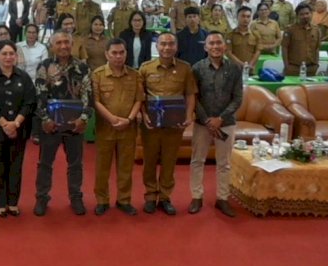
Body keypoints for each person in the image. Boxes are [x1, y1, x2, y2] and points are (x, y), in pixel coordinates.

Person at [33, 31, 93, 217]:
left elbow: (88, 96)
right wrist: (45, 119)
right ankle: (42, 198)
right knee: (45, 163)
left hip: (75, 125)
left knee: (75, 164)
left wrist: (83, 118)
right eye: (59, 42)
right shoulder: (44, 66)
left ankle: (75, 197)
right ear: (52, 46)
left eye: (66, 42)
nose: (63, 46)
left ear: (72, 43)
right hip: (51, 125)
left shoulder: (82, 68)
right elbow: (40, 95)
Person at [139, 32, 197, 215]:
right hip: (151, 124)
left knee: (169, 162)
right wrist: (143, 114)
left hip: (174, 124)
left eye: (171, 44)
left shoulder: (185, 68)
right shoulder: (145, 68)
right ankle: (150, 196)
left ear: (176, 47)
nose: (167, 47)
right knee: (149, 161)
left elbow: (190, 94)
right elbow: (140, 96)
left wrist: (188, 116)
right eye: (163, 44)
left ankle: (164, 197)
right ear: (157, 46)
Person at [189, 32, 243, 218]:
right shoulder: (196, 68)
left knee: (225, 163)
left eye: (218, 42)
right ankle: (196, 196)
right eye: (211, 43)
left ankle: (222, 198)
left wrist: (220, 118)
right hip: (202, 123)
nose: (215, 46)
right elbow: (193, 99)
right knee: (197, 161)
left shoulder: (235, 69)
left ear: (224, 46)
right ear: (205, 47)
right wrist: (207, 120)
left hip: (226, 122)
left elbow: (237, 98)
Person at [0, 40, 36, 218]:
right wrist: (5, 124)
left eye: (11, 53)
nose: (8, 57)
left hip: (19, 129)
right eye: (4, 54)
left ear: (16, 56)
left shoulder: (23, 77)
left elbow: (30, 101)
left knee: (16, 166)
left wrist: (16, 123)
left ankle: (13, 202)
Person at [92, 38, 144, 216]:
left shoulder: (134, 74)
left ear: (126, 54)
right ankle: (102, 200)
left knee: (125, 167)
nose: (118, 56)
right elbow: (96, 101)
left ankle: (124, 200)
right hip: (105, 128)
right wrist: (112, 119)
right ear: (107, 54)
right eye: (114, 53)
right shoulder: (97, 75)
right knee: (102, 167)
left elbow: (138, 99)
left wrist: (129, 119)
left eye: (121, 52)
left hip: (128, 129)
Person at [281, 2, 320, 77]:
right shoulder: (290, 29)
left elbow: (317, 48)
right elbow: (284, 48)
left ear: (311, 14)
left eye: (307, 13)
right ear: (297, 16)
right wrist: (287, 66)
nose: (305, 16)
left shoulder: (316, 30)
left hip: (311, 69)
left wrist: (316, 65)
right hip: (293, 69)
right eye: (301, 14)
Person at [226, 6, 261, 71]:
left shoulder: (256, 35)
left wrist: (250, 65)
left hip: (250, 70)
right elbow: (228, 53)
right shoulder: (230, 35)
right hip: (233, 70)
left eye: (248, 17)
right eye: (243, 16)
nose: (245, 19)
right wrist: (242, 65)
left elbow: (257, 51)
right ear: (237, 17)